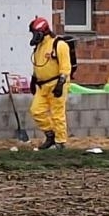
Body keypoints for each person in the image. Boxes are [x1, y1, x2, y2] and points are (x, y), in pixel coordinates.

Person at [28, 16, 72, 150]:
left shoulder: (59, 45)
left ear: (42, 32)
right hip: (42, 85)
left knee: (57, 114)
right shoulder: (39, 47)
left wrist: (61, 83)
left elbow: (65, 67)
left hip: (56, 83)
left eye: (35, 33)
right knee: (36, 111)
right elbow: (38, 65)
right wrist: (33, 79)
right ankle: (50, 135)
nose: (34, 37)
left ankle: (60, 142)